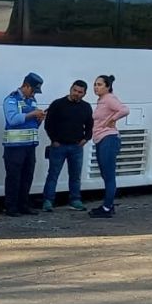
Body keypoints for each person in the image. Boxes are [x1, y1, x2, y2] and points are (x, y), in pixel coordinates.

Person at [41, 80, 93, 212]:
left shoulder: (86, 107)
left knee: (75, 176)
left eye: (80, 92)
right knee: (53, 174)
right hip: (59, 146)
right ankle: (48, 201)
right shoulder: (58, 104)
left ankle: (75, 200)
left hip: (76, 147)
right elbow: (48, 124)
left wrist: (85, 139)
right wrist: (53, 140)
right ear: (70, 89)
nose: (76, 94)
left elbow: (90, 125)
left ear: (84, 94)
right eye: (75, 90)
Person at [2, 72, 46, 216]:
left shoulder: (32, 101)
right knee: (14, 177)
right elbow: (12, 119)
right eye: (33, 90)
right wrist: (32, 114)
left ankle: (23, 205)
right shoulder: (11, 99)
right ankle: (11, 207)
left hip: (29, 146)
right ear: (26, 86)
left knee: (27, 176)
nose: (34, 93)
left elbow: (32, 124)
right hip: (14, 147)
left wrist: (39, 119)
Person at [89, 74, 130, 219]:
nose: (96, 87)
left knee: (109, 174)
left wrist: (112, 120)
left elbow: (124, 110)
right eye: (95, 84)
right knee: (106, 174)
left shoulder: (109, 99)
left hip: (108, 138)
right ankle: (108, 204)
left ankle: (107, 207)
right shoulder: (101, 100)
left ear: (107, 87)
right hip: (101, 138)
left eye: (100, 84)